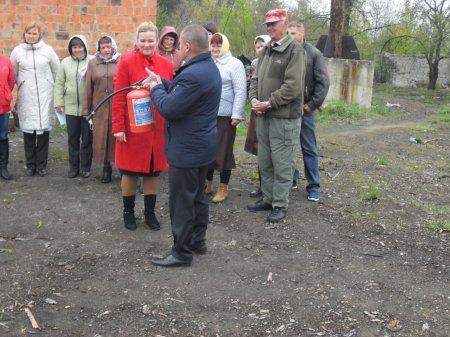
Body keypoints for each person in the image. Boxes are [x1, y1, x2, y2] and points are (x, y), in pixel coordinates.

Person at [148, 24, 221, 267]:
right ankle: (197, 242)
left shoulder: (193, 73)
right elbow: (186, 96)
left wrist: (155, 88)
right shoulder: (207, 67)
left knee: (182, 202)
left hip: (188, 150)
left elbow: (169, 108)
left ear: (187, 46)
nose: (178, 49)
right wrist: (163, 83)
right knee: (197, 197)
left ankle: (181, 253)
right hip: (202, 146)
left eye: (180, 45)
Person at [112, 21, 173, 231]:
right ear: (137, 41)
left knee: (152, 172)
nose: (147, 44)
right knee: (129, 172)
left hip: (156, 128)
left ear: (157, 41)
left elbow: (170, 95)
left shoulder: (166, 64)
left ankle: (149, 213)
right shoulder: (126, 61)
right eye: (143, 40)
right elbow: (119, 96)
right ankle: (128, 213)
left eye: (150, 40)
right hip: (132, 128)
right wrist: (118, 126)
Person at [247, 9, 306, 223]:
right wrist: (253, 100)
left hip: (283, 118)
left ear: (285, 23)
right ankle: (269, 198)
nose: (270, 28)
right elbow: (254, 79)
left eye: (274, 24)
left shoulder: (294, 50)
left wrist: (269, 103)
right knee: (265, 161)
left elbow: (293, 87)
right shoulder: (267, 50)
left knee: (282, 163)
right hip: (264, 117)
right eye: (268, 25)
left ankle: (280, 205)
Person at [10, 22, 60, 177]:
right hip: (27, 95)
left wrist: (49, 84)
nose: (31, 36)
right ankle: (30, 164)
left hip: (45, 94)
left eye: (34, 33)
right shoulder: (17, 51)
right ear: (24, 34)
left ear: (39, 35)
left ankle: (41, 165)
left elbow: (56, 70)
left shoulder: (48, 50)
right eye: (28, 33)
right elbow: (13, 73)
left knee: (43, 131)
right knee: (29, 132)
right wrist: (23, 84)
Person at [288, 22, 329, 202]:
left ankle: (314, 187)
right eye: (288, 33)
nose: (291, 37)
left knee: (309, 148)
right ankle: (292, 179)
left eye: (294, 33)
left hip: (305, 109)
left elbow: (323, 83)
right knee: (288, 147)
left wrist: (311, 105)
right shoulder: (287, 51)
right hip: (288, 108)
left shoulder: (314, 54)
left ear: (302, 33)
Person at [205, 33, 246, 203]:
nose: (215, 48)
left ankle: (223, 186)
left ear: (225, 46)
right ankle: (207, 183)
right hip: (208, 115)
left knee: (223, 151)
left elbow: (240, 90)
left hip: (225, 116)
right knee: (206, 149)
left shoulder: (234, 64)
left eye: (218, 45)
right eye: (213, 45)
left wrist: (237, 114)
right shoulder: (208, 62)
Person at [82, 35, 121, 183]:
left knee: (118, 136)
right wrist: (86, 109)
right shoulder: (93, 63)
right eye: (103, 47)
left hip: (117, 105)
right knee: (102, 137)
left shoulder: (121, 61)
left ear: (113, 47)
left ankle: (123, 167)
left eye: (109, 47)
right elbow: (88, 88)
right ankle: (106, 167)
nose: (106, 50)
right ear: (99, 49)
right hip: (100, 107)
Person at [55, 35, 94, 178]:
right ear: (71, 49)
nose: (77, 50)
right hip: (70, 108)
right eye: (74, 47)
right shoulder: (65, 62)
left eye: (80, 46)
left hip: (87, 109)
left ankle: (85, 167)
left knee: (87, 139)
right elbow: (59, 83)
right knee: (72, 139)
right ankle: (73, 167)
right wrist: (59, 102)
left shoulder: (92, 61)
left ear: (84, 47)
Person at [244, 34, 271, 198]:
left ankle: (272, 187)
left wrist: (267, 104)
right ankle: (262, 185)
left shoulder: (275, 63)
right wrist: (254, 102)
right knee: (259, 152)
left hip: (272, 109)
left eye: (263, 46)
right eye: (257, 46)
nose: (260, 49)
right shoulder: (254, 64)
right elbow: (250, 85)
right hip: (256, 111)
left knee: (271, 151)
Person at [0, 53, 15, 180]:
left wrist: (5, 94)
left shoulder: (6, 61)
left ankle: (3, 167)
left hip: (4, 106)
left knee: (3, 136)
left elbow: (11, 81)